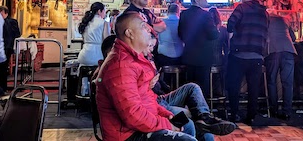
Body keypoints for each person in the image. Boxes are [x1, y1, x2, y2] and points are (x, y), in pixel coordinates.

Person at [96, 12, 234, 141]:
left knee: (188, 125)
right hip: (128, 135)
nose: (149, 30)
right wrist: (167, 124)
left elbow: (148, 98)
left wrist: (166, 114)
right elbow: (132, 116)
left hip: (140, 122)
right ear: (129, 33)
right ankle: (203, 119)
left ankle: (204, 119)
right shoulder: (121, 66)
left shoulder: (133, 58)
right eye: (144, 27)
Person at [226, 0, 269, 124]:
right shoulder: (265, 13)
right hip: (257, 55)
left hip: (239, 54)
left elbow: (230, 25)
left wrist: (234, 35)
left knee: (234, 86)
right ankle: (251, 117)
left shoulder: (242, 8)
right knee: (253, 88)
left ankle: (234, 114)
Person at [178, 0, 219, 95]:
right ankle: (201, 110)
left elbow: (180, 34)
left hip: (189, 56)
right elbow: (213, 34)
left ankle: (190, 109)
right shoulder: (205, 15)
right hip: (203, 57)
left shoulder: (184, 14)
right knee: (202, 88)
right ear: (197, 0)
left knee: (190, 87)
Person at [265, 12, 296, 120]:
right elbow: (293, 38)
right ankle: (287, 112)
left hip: (273, 51)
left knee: (272, 81)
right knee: (288, 83)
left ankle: (274, 110)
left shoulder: (266, 20)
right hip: (288, 51)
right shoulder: (285, 20)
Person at [77, 2, 110, 66]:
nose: (105, 14)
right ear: (99, 11)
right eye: (104, 11)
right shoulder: (104, 23)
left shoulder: (85, 22)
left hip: (83, 56)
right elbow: (107, 41)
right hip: (98, 57)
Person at [0, 6, 21, 92]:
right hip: (7, 46)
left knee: (2, 68)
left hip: (4, 46)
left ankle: (1, 87)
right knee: (3, 68)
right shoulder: (13, 22)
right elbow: (17, 34)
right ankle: (2, 87)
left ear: (4, 12)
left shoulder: (8, 22)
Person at [208, 7, 229, 97]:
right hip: (219, 60)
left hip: (207, 61)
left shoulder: (205, 29)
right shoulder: (223, 29)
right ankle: (222, 93)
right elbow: (227, 47)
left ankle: (207, 94)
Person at [156, 3, 184, 67]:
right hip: (179, 55)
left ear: (168, 11)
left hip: (163, 55)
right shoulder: (182, 23)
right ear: (178, 11)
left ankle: (162, 76)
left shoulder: (161, 23)